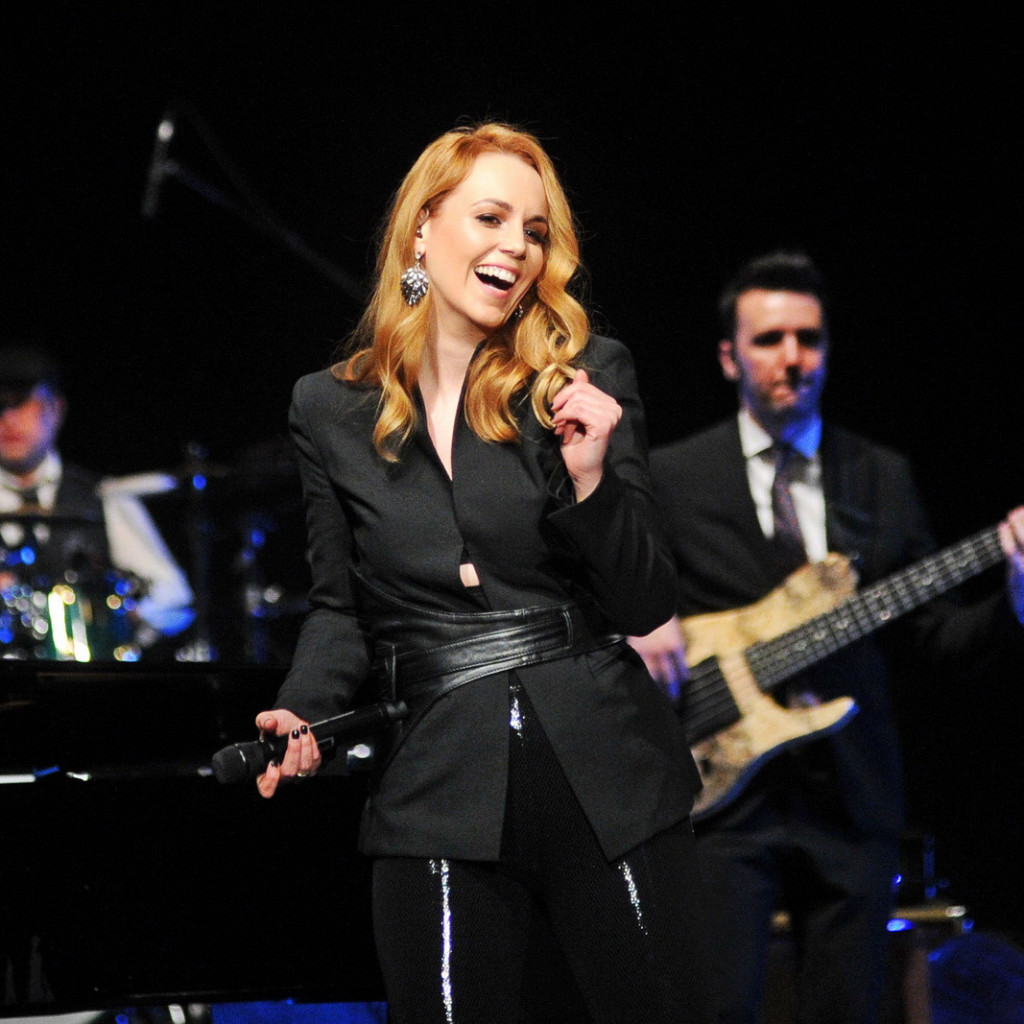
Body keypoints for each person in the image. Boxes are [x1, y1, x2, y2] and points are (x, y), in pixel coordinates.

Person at [252, 124, 713, 1023]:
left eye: (535, 231)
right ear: (423, 229)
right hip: (437, 786)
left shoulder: (583, 376)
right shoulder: (329, 406)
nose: (516, 247)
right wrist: (303, 704)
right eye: (491, 218)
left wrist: (591, 479)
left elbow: (644, 600)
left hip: (607, 775)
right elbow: (340, 605)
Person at [629, 250, 1024, 1024]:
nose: (792, 357)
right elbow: (617, 597)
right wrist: (641, 613)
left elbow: (934, 640)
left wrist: (1013, 598)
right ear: (729, 357)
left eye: (808, 339)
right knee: (716, 1006)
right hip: (719, 797)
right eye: (769, 339)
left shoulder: (880, 474)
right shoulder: (672, 476)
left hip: (851, 796)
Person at [0, 343, 194, 654]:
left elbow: (174, 598)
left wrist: (123, 623)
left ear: (56, 409)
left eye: (21, 402)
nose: (8, 417)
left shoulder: (103, 497)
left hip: (82, 676)